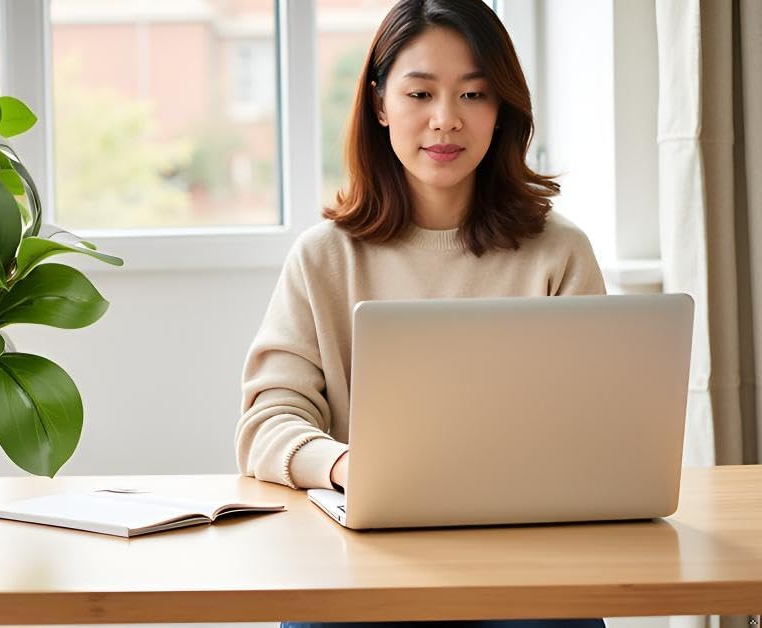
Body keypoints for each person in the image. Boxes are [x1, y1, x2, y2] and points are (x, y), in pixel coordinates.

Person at [235, 1, 606, 628]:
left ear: (502, 109)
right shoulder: (324, 258)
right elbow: (268, 423)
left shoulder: (559, 252)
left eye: (473, 94)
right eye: (421, 93)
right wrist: (349, 467)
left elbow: (603, 423)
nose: (446, 120)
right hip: (366, 557)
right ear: (380, 105)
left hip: (527, 554)